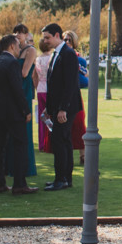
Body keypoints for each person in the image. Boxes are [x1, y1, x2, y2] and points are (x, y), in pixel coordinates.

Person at [0, 34, 36, 195]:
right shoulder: (12, 63)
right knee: (20, 145)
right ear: (12, 46)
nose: (19, 48)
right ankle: (19, 184)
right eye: (18, 46)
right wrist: (25, 110)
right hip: (12, 111)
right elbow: (17, 88)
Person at [41, 23, 80, 191]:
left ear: (57, 35)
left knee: (59, 141)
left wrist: (63, 108)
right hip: (58, 106)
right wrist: (49, 108)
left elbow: (70, 84)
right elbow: (53, 83)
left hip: (66, 107)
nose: (45, 41)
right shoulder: (57, 53)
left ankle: (61, 179)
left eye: (47, 37)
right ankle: (65, 178)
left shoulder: (68, 54)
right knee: (63, 141)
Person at [13, 25, 39, 182]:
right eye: (15, 33)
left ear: (26, 34)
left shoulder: (30, 50)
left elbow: (24, 72)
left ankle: (26, 167)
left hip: (24, 90)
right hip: (15, 90)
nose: (17, 35)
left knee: (25, 128)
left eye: (20, 33)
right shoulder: (16, 50)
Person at [62, 30, 88, 156]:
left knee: (79, 123)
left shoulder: (79, 58)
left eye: (69, 40)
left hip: (75, 93)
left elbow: (86, 74)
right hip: (63, 93)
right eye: (65, 40)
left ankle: (83, 154)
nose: (67, 42)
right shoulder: (59, 55)